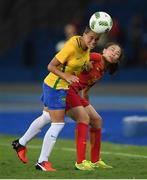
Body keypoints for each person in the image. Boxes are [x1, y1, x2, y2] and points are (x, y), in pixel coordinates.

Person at [12, 26, 101, 172]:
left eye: (96, 39)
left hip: (61, 87)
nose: (93, 41)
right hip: (55, 86)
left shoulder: (87, 48)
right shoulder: (72, 45)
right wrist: (66, 76)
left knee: (46, 117)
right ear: (84, 35)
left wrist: (86, 67)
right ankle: (42, 162)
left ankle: (20, 143)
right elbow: (50, 66)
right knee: (58, 124)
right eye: (91, 38)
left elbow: (77, 64)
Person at [66, 42, 123, 170]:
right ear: (104, 50)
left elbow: (85, 91)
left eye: (117, 53)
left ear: (117, 59)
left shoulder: (101, 71)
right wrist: (85, 62)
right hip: (66, 90)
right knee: (84, 119)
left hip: (76, 93)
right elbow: (78, 58)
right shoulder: (97, 57)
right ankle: (80, 162)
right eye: (112, 50)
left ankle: (95, 161)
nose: (114, 53)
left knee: (97, 120)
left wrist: (87, 106)